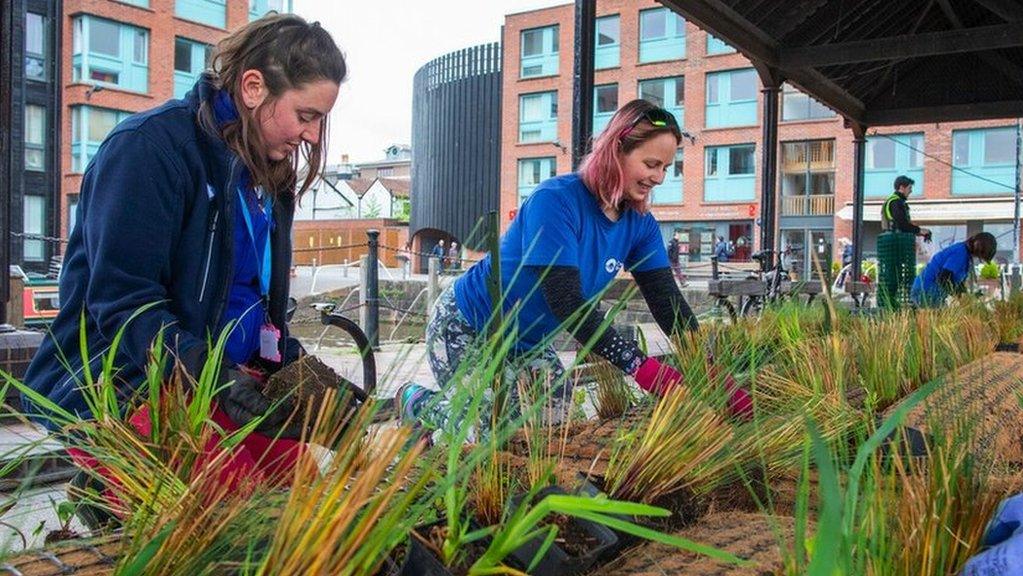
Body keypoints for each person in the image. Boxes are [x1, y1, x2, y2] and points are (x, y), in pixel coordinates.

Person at [21, 14, 346, 502]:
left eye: (321, 119)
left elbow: (250, 303)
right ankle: (117, 483)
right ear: (253, 87)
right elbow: (123, 303)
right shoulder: (148, 150)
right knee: (233, 517)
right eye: (306, 116)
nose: (314, 137)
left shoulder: (267, 173)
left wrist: (302, 374)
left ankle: (121, 497)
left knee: (306, 500)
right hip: (126, 385)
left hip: (216, 386)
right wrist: (212, 377)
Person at [396, 99, 752, 436]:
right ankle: (417, 403)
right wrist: (641, 368)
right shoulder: (556, 201)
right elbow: (567, 301)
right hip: (467, 326)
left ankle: (446, 425)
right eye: (651, 164)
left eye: (665, 168)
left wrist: (710, 370)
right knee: (490, 432)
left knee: (555, 433)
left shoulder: (639, 224)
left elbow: (667, 302)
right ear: (616, 151)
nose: (659, 178)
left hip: (528, 343)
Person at [911, 232, 996, 307]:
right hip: (926, 291)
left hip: (931, 292)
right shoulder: (960, 253)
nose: (979, 258)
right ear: (979, 251)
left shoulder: (965, 254)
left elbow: (957, 284)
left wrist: (966, 295)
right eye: (980, 256)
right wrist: (959, 296)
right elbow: (944, 277)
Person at [882, 175, 932, 240]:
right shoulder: (895, 202)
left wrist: (918, 232)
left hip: (894, 239)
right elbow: (902, 224)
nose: (911, 191)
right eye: (909, 188)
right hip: (896, 241)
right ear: (902, 187)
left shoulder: (896, 201)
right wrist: (919, 230)